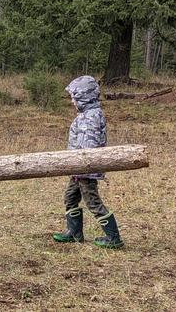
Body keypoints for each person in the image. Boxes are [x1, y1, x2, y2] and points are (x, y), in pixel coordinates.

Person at [52, 75, 124, 249]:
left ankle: (114, 237)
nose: (72, 102)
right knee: (70, 197)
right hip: (78, 169)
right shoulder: (88, 114)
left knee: (93, 202)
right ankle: (74, 232)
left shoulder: (89, 117)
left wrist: (81, 168)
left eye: (74, 98)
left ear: (84, 97)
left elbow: (88, 146)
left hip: (84, 169)